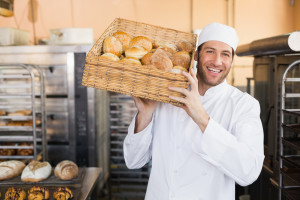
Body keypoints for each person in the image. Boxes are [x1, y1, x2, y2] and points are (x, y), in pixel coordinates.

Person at [123, 22, 264, 200]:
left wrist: (202, 118)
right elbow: (133, 161)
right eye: (210, 51)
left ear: (232, 60)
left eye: (225, 54)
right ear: (196, 54)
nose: (217, 61)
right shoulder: (167, 93)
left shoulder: (243, 105)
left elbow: (248, 172)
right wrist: (145, 114)